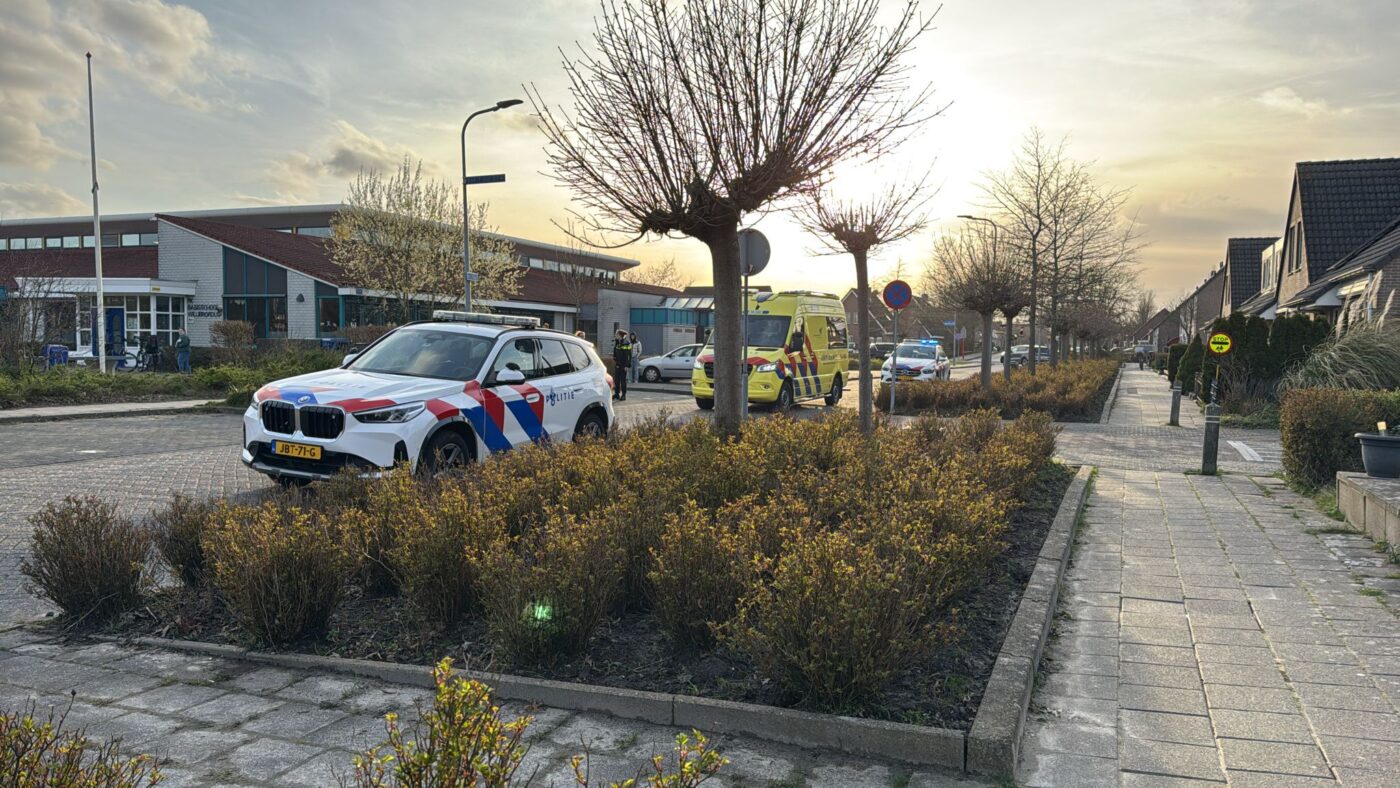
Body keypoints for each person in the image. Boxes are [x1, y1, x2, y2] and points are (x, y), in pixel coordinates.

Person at [611, 329, 632, 400]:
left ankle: (623, 395)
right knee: (616, 380)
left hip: (623, 365)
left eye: (616, 334)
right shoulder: (617, 342)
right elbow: (615, 351)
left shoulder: (626, 343)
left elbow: (628, 356)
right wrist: (614, 356)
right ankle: (617, 394)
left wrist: (627, 365)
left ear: (620, 335)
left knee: (623, 381)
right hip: (618, 364)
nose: (615, 335)